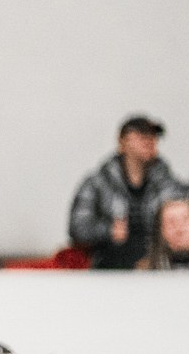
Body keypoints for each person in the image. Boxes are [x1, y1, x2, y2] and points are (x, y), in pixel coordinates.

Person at [68, 114, 179, 269]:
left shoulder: (167, 183)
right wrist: (107, 230)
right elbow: (78, 227)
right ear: (122, 141)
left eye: (154, 136)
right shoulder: (97, 183)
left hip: (159, 265)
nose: (150, 140)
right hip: (111, 267)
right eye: (142, 134)